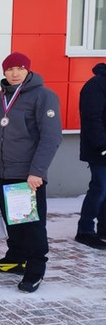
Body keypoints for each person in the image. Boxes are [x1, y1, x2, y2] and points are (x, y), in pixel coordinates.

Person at [0, 52, 62, 293]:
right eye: (10, 69)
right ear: (4, 72)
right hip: (4, 172)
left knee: (32, 225)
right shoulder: (1, 98)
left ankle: (35, 268)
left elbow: (51, 137)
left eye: (19, 68)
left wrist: (37, 171)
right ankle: (15, 259)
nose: (14, 73)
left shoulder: (44, 96)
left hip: (27, 175)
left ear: (28, 70)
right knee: (14, 222)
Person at [77, 62, 106, 249]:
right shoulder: (96, 85)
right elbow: (91, 117)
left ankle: (103, 228)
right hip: (100, 149)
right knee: (100, 188)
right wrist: (103, 145)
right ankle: (85, 231)